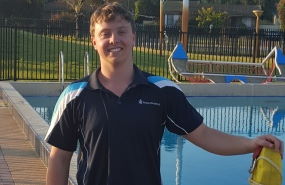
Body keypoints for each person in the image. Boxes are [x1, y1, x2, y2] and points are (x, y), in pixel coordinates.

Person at [45, 2, 283, 185]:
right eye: (105, 33)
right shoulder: (74, 96)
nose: (114, 39)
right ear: (93, 41)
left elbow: (203, 135)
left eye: (121, 31)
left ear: (133, 37)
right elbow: (60, 158)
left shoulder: (162, 91)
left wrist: (250, 143)